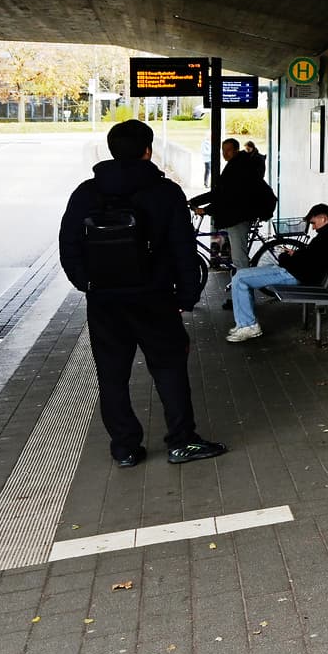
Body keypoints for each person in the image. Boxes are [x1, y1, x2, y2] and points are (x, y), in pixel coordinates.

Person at [57, 119, 229, 468]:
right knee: (170, 370)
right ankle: (181, 442)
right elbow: (183, 250)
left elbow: (68, 245)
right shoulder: (166, 193)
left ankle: (124, 448)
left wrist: (88, 283)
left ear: (111, 151)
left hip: (105, 301)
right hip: (155, 297)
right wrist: (186, 297)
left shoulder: (86, 193)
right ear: (148, 151)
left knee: (112, 375)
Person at [223, 203, 328, 342]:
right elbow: (311, 258)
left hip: (294, 274)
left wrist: (284, 257)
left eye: (313, 223)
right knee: (240, 276)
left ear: (323, 218)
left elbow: (308, 263)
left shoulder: (326, 238)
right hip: (295, 272)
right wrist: (295, 254)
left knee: (240, 278)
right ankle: (244, 324)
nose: (313, 228)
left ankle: (248, 325)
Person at [189, 139, 275, 270]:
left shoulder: (240, 167)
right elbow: (218, 193)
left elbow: (230, 196)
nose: (225, 153)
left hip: (239, 217)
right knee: (230, 253)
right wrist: (194, 201)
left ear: (236, 150)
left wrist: (206, 210)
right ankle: (234, 276)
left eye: (228, 150)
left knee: (239, 259)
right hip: (233, 215)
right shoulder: (234, 165)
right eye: (223, 150)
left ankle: (245, 281)